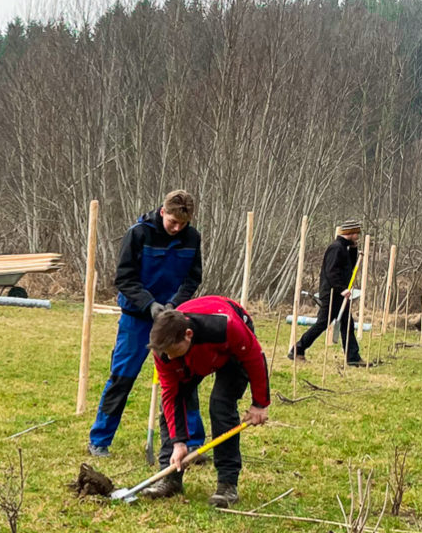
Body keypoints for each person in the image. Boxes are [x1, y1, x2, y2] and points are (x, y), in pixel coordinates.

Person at [89, 190, 206, 458]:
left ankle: (194, 443)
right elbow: (125, 278)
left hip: (174, 317)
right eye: (172, 222)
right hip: (138, 318)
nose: (177, 229)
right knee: (122, 377)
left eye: (183, 224)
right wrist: (149, 304)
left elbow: (192, 278)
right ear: (162, 212)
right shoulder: (138, 234)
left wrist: (174, 305)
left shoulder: (192, 238)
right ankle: (100, 439)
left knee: (184, 379)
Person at [144, 296, 272, 508]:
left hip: (230, 351)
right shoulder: (164, 350)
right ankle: (170, 479)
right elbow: (171, 395)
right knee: (169, 412)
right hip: (194, 357)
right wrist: (178, 442)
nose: (168, 357)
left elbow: (254, 357)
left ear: (188, 335)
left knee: (221, 405)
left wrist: (259, 403)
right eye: (164, 353)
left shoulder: (227, 326)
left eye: (172, 351)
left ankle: (227, 484)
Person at [286, 220, 364, 365]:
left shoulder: (344, 248)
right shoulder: (336, 248)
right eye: (357, 233)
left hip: (339, 293)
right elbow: (331, 271)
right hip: (333, 293)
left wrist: (353, 249)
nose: (358, 235)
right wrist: (342, 289)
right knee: (322, 323)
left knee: (347, 324)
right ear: (350, 233)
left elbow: (349, 267)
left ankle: (353, 357)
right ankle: (297, 350)